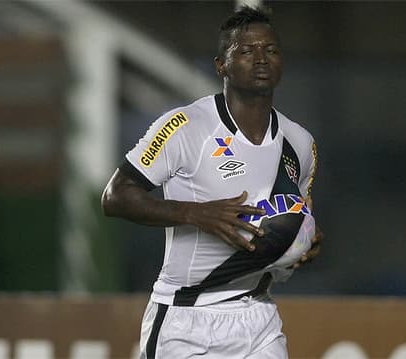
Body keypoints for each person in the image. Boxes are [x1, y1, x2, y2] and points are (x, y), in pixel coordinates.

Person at [102, 5, 322, 358]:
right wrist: (196, 214)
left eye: (270, 50)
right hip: (186, 316)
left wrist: (303, 242)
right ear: (221, 65)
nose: (261, 59)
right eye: (246, 51)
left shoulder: (300, 142)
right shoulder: (184, 126)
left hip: (259, 316)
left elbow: (297, 216)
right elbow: (115, 196)